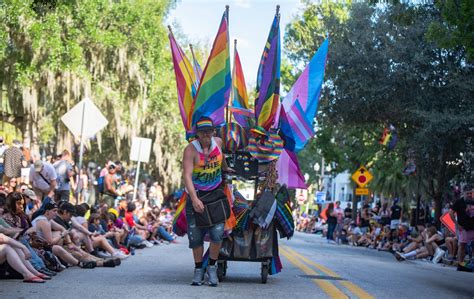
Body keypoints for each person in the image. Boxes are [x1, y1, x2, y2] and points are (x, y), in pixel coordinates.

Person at [182, 116, 233, 287]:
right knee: (195, 237)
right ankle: (198, 270)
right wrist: (194, 199)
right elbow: (187, 176)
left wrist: (226, 168)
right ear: (197, 134)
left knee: (217, 234)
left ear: (213, 132)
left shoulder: (217, 142)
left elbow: (222, 157)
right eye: (202, 133)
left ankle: (212, 267)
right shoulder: (190, 150)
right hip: (197, 196)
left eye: (208, 132)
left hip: (216, 196)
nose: (206, 136)